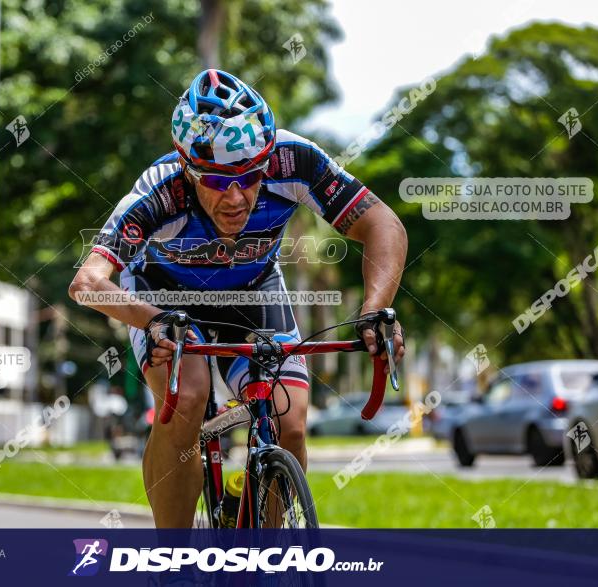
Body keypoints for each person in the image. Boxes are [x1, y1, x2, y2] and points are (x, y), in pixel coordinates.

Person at [70, 69, 407, 528]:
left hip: (251, 292)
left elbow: (383, 225)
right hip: (163, 298)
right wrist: (151, 320)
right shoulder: (160, 190)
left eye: (249, 177)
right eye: (216, 179)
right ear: (187, 166)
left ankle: (262, 559)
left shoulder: (293, 161)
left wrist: (374, 310)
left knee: (289, 423)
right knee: (187, 395)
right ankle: (175, 565)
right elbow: (88, 282)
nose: (236, 197)